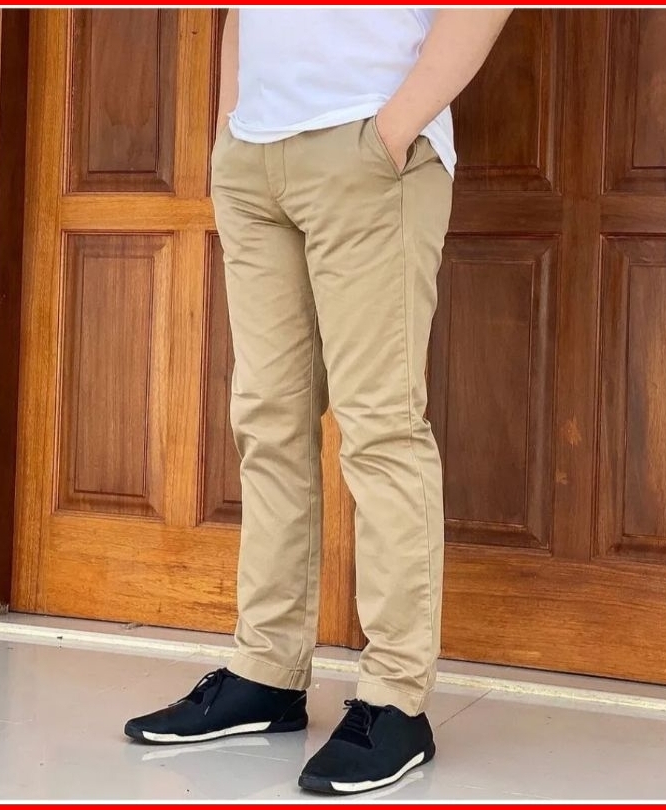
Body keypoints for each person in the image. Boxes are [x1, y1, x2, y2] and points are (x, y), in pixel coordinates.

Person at [125, 8, 512, 795]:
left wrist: (394, 128)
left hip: (368, 145)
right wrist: (230, 133)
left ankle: (396, 702)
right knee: (267, 422)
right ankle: (266, 673)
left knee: (380, 428)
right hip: (255, 155)